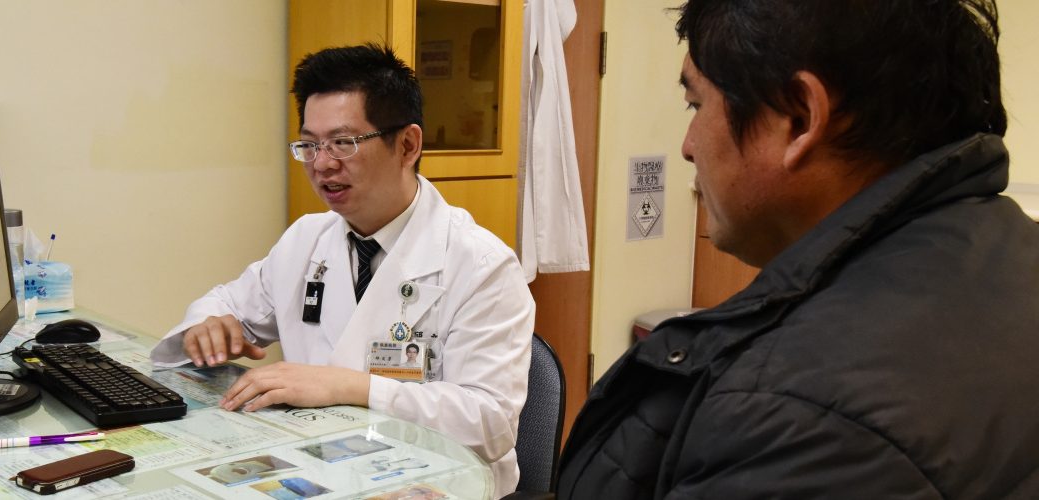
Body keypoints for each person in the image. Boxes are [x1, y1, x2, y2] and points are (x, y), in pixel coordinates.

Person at [557, 1, 1039, 498]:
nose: (687, 145)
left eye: (696, 106)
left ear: (799, 117)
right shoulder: (1008, 253)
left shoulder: (793, 417)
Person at [151, 43, 534, 497]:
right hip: (317, 471)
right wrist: (209, 325)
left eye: (343, 143)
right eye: (309, 145)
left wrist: (352, 387)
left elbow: (489, 423)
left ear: (407, 145)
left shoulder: (482, 265)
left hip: (437, 484)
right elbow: (226, 304)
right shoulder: (306, 239)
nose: (322, 164)